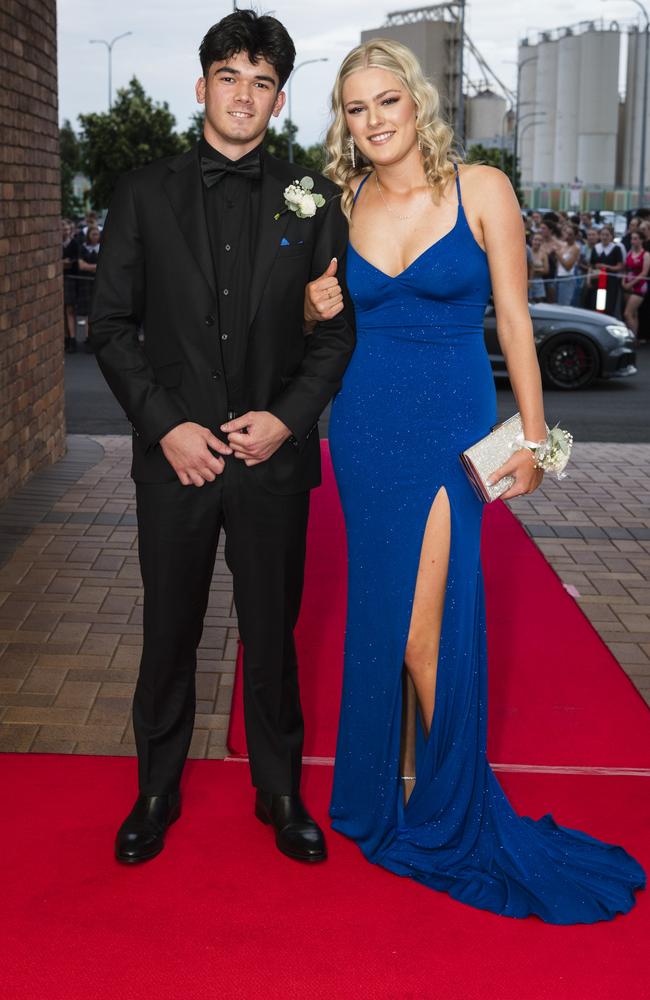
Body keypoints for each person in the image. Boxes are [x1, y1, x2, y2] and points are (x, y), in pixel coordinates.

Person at [305, 38, 645, 922]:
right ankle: (406, 794)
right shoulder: (340, 201)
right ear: (344, 123)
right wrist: (310, 304)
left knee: (430, 626)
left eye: (387, 100)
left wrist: (542, 442)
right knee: (391, 617)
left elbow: (515, 323)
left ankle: (455, 807)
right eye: (356, 108)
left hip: (454, 431)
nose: (374, 119)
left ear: (415, 101)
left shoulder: (482, 188)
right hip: (368, 430)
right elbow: (308, 316)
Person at [90, 10, 355, 866]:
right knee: (169, 629)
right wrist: (166, 427)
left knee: (273, 632)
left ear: (280, 99)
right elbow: (112, 327)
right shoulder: (140, 191)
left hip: (273, 464)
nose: (245, 95)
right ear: (202, 86)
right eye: (230, 77)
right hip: (176, 464)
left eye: (264, 81)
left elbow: (335, 333)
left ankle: (279, 790)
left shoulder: (310, 196)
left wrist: (287, 419)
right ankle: (156, 789)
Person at [586, 225, 624, 315]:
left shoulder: (616, 249)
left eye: (607, 235)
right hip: (596, 280)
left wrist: (607, 267)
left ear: (611, 236)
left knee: (608, 305)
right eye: (603, 235)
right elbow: (591, 266)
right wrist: (588, 280)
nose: (604, 237)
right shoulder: (596, 248)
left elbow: (620, 266)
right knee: (595, 304)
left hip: (610, 282)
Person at [621, 229, 650, 336]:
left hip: (639, 286)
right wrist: (624, 281)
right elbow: (625, 268)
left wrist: (630, 284)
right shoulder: (630, 252)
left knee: (627, 313)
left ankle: (632, 337)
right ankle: (634, 337)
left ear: (641, 240)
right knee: (634, 313)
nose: (633, 241)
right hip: (627, 285)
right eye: (632, 239)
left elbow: (644, 273)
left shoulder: (646, 255)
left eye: (636, 239)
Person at [77, 224, 101, 351]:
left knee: (98, 311)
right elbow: (81, 266)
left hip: (99, 283)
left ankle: (97, 337)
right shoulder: (83, 248)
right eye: (93, 234)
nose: (95, 236)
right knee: (88, 313)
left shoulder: (103, 247)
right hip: (86, 284)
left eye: (97, 234)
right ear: (88, 235)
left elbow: (105, 266)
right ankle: (88, 337)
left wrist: (90, 266)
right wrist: (95, 267)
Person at [62, 219, 79, 353]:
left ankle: (72, 339)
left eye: (67, 229)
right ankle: (66, 338)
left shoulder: (74, 243)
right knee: (61, 311)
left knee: (69, 309)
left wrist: (66, 262)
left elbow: (74, 262)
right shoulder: (55, 244)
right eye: (63, 229)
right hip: (60, 279)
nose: (65, 231)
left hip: (70, 280)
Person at [555, 223, 580, 306]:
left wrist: (558, 255)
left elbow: (568, 266)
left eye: (570, 234)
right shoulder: (563, 245)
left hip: (567, 279)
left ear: (575, 236)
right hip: (558, 277)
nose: (568, 236)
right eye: (567, 233)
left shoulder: (576, 248)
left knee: (564, 305)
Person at [529, 232, 549, 302]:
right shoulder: (527, 251)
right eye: (535, 240)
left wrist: (534, 270)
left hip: (539, 281)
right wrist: (539, 269)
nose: (537, 242)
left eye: (540, 240)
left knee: (539, 302)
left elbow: (546, 270)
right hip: (528, 281)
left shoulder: (543, 254)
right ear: (532, 240)